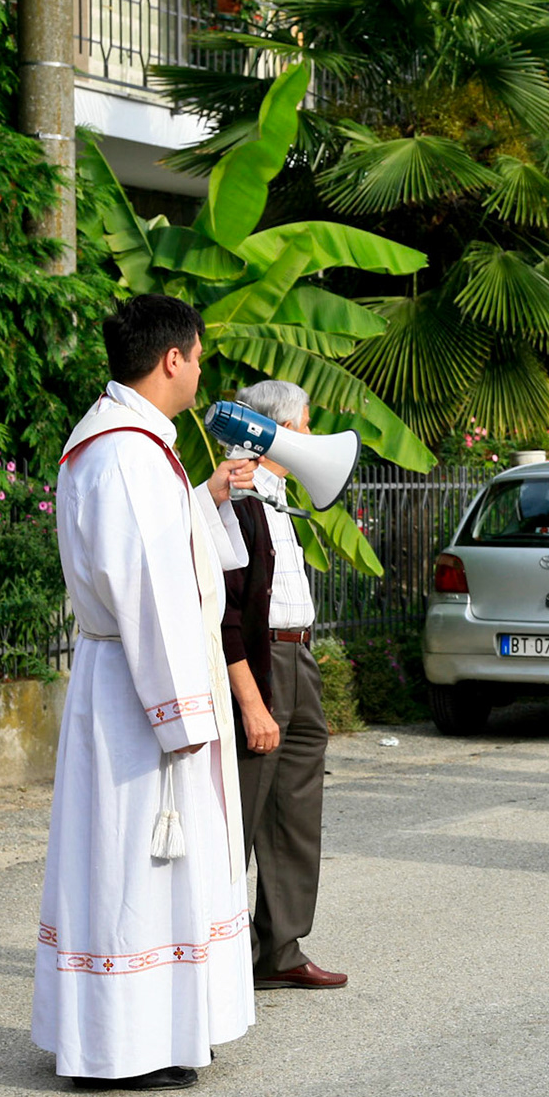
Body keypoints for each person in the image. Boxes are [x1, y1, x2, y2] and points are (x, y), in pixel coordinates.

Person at [34, 294, 258, 1090]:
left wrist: (205, 500)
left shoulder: (121, 441)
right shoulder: (127, 453)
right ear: (173, 359)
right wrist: (186, 717)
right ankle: (125, 1049)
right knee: (138, 863)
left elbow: (152, 550)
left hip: (120, 680)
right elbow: (148, 592)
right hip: (140, 695)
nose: (201, 371)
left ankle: (136, 1035)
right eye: (198, 358)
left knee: (126, 862)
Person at [220, 380, 347, 992]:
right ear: (271, 432)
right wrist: (250, 700)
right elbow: (228, 610)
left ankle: (281, 947)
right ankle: (215, 954)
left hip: (299, 657)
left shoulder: (277, 497)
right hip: (262, 663)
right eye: (301, 426)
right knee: (242, 811)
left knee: (297, 808)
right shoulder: (238, 498)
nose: (309, 437)